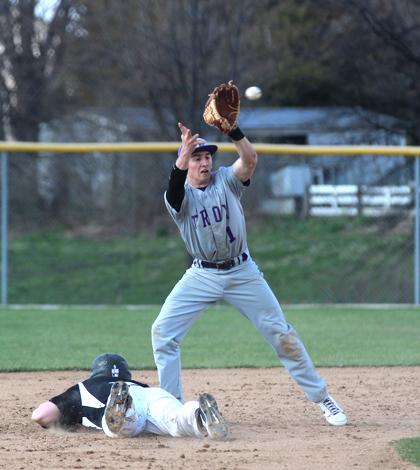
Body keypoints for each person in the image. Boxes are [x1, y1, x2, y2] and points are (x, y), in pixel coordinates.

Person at [151, 121, 348, 426]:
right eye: (197, 157)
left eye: (207, 157)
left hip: (243, 271)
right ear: (185, 163)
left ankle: (323, 398)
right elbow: (174, 187)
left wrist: (234, 131)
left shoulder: (225, 180)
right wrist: (181, 156)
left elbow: (250, 160)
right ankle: (173, 413)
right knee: (162, 333)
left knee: (281, 334)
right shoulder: (179, 197)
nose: (205, 162)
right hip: (202, 275)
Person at [31, 352, 229, 439]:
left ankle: (123, 409)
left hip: (116, 401)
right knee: (176, 420)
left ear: (95, 373)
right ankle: (198, 414)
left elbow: (41, 416)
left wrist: (69, 419)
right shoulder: (139, 384)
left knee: (123, 427)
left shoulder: (83, 388)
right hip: (152, 395)